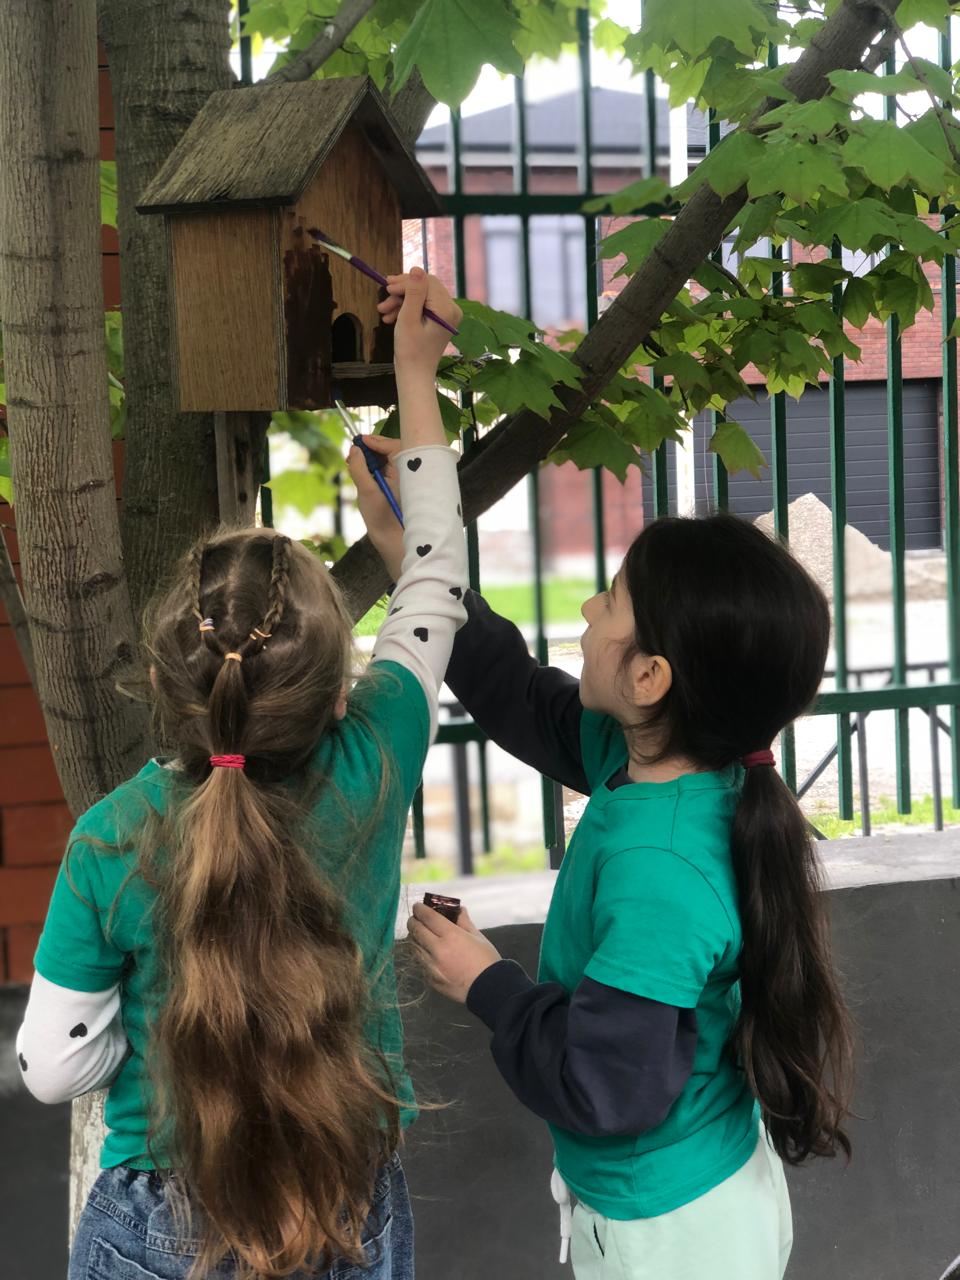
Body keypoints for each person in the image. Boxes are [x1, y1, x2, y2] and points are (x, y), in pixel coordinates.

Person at [15, 268, 466, 1280]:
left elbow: (51, 1066)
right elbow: (436, 573)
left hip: (160, 1214)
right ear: (334, 693)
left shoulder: (111, 835)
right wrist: (415, 371)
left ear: (165, 681)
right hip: (345, 1191)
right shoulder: (376, 753)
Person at [357, 481, 854, 1280]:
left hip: (673, 1241)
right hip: (684, 1202)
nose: (590, 608)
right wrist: (415, 559)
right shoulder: (650, 762)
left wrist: (488, 983)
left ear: (651, 677)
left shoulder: (661, 872)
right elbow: (516, 691)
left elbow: (603, 1086)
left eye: (612, 600)